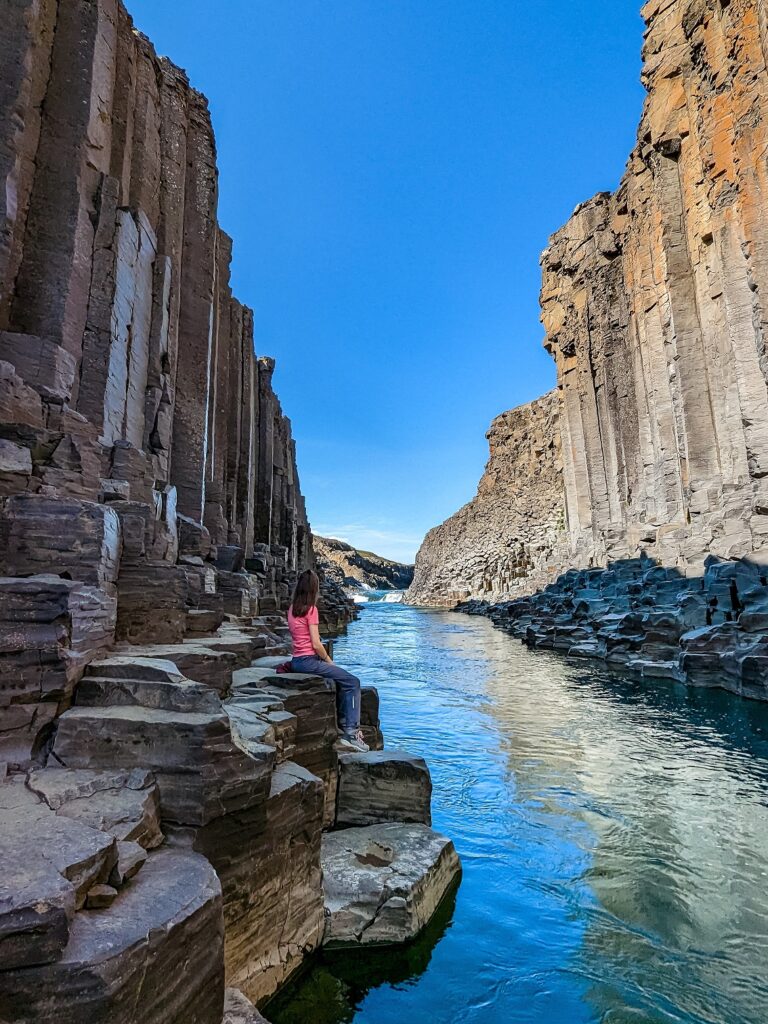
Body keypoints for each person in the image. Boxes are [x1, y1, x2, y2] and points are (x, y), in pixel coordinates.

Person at [287, 569, 369, 753]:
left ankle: (344, 726)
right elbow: (316, 644)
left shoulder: (292, 609)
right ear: (314, 589)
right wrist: (329, 660)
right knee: (352, 682)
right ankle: (351, 732)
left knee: (339, 681)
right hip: (309, 661)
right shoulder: (311, 610)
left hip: (296, 661)